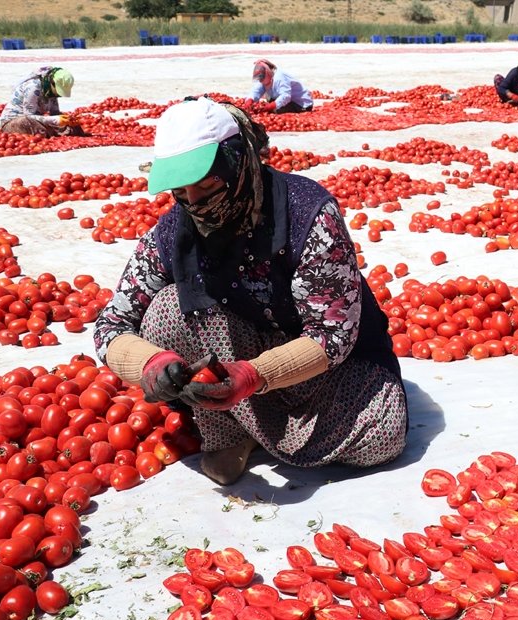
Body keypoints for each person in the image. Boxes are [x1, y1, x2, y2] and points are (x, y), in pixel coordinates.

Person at [94, 98, 407, 485]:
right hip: (230, 357)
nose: (194, 203)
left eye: (207, 184)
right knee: (166, 310)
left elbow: (332, 338)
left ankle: (254, 425)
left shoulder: (307, 214)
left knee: (384, 433)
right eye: (181, 190)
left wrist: (254, 374)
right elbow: (111, 326)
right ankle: (229, 432)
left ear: (240, 161)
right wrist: (150, 365)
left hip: (318, 373)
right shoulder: (174, 230)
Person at [0, 66, 84, 137]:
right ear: (52, 82)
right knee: (27, 123)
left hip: (36, 120)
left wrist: (67, 120)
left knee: (72, 128)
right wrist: (56, 120)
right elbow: (29, 116)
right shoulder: (33, 87)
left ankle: (49, 133)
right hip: (16, 122)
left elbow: (55, 113)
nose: (59, 94)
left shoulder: (50, 91)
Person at [245, 60, 314, 113]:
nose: (260, 81)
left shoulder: (279, 77)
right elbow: (256, 90)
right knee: (268, 106)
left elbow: (286, 96)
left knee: (275, 110)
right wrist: (249, 100)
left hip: (301, 104)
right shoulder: (265, 78)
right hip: (289, 101)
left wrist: (270, 106)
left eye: (261, 78)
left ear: (267, 72)